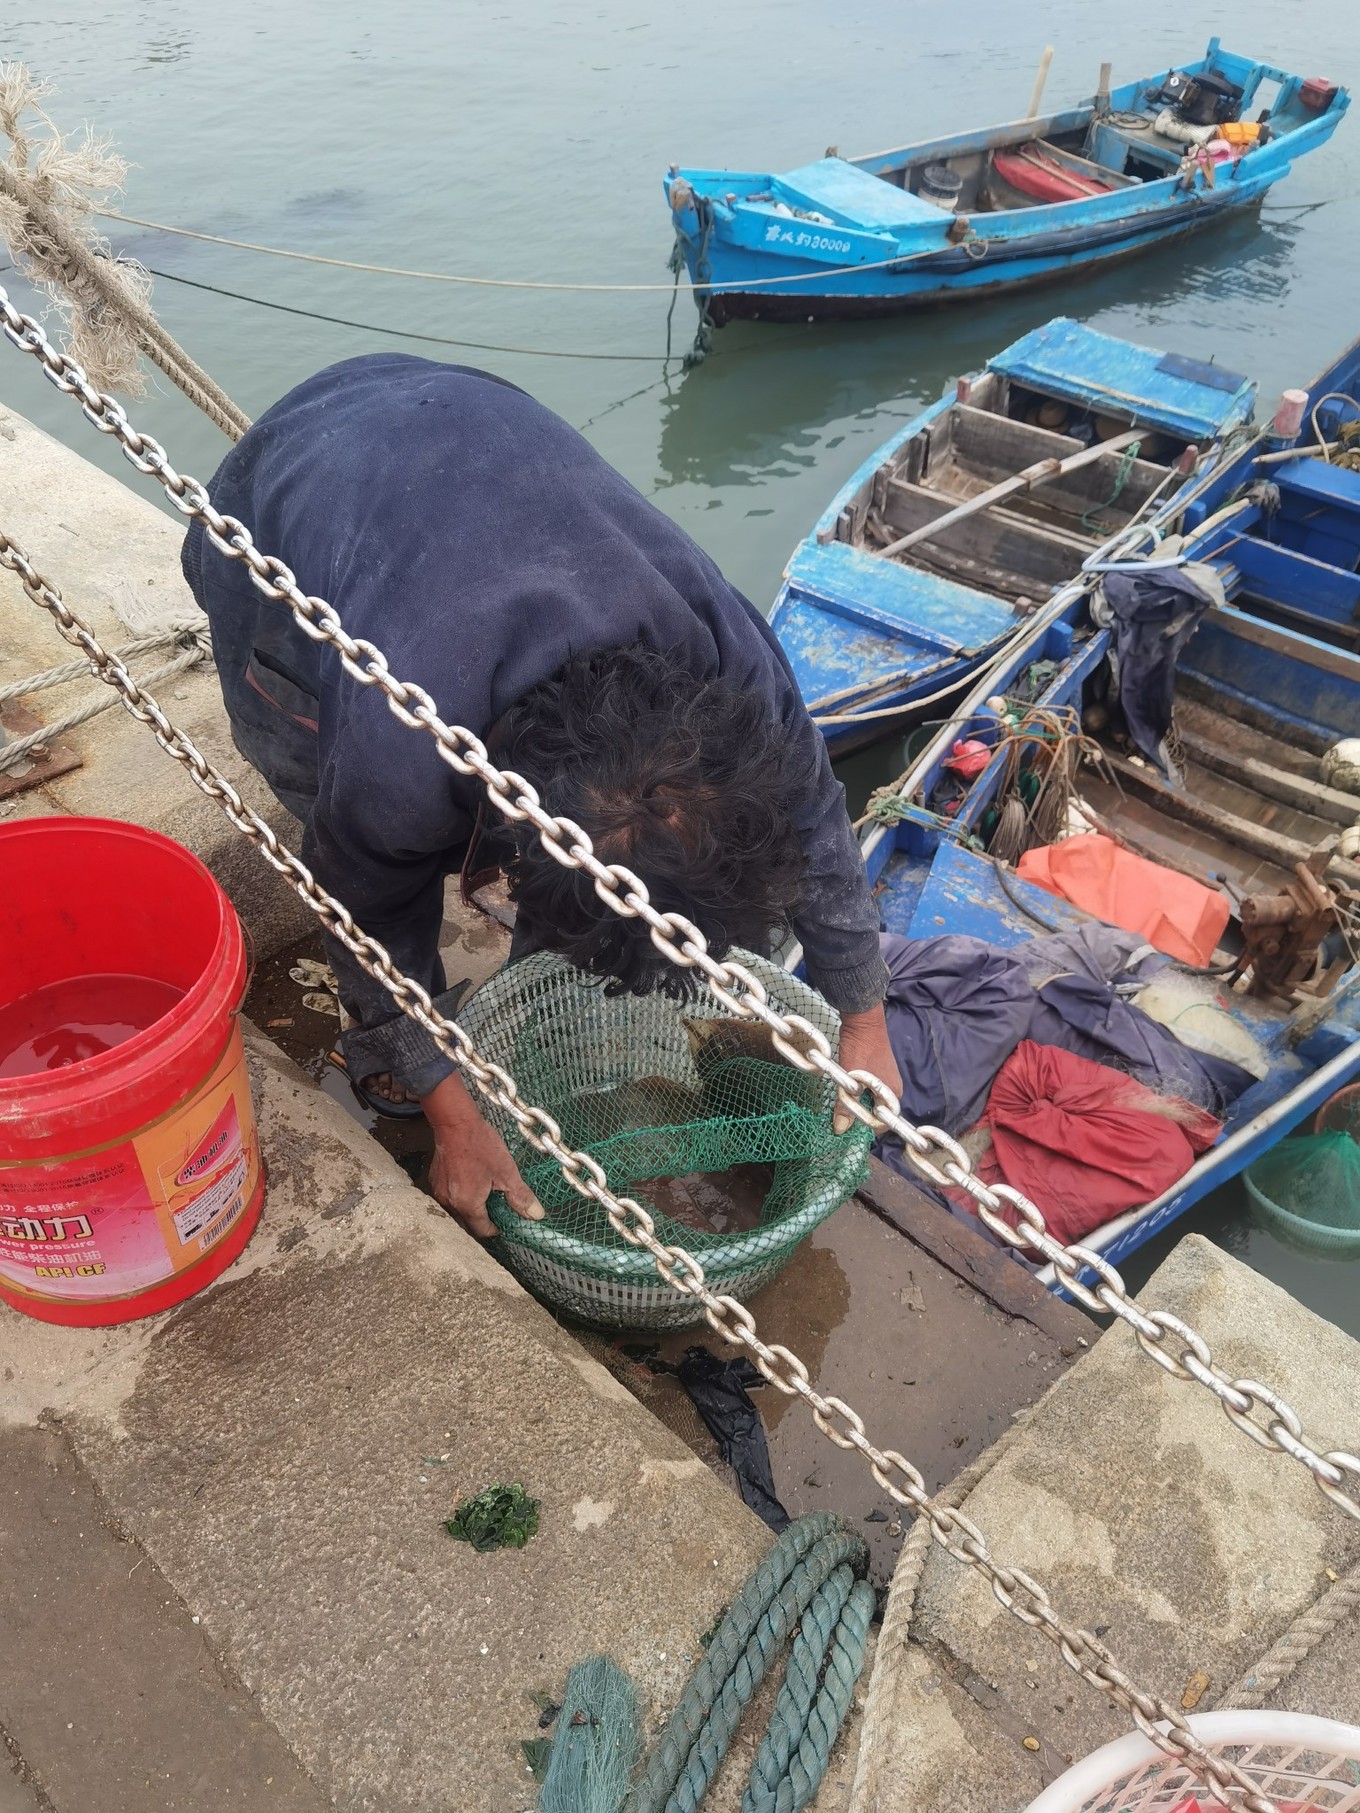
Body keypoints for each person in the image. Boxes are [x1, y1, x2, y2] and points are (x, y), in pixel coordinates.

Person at [182, 354, 900, 1238]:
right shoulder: (391, 753)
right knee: (333, 807)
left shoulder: (728, 666)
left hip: (462, 413)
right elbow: (361, 907)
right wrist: (450, 1112)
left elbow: (812, 812)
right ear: (518, 865)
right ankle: (399, 1051)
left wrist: (863, 1016)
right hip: (281, 496)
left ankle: (512, 1007)